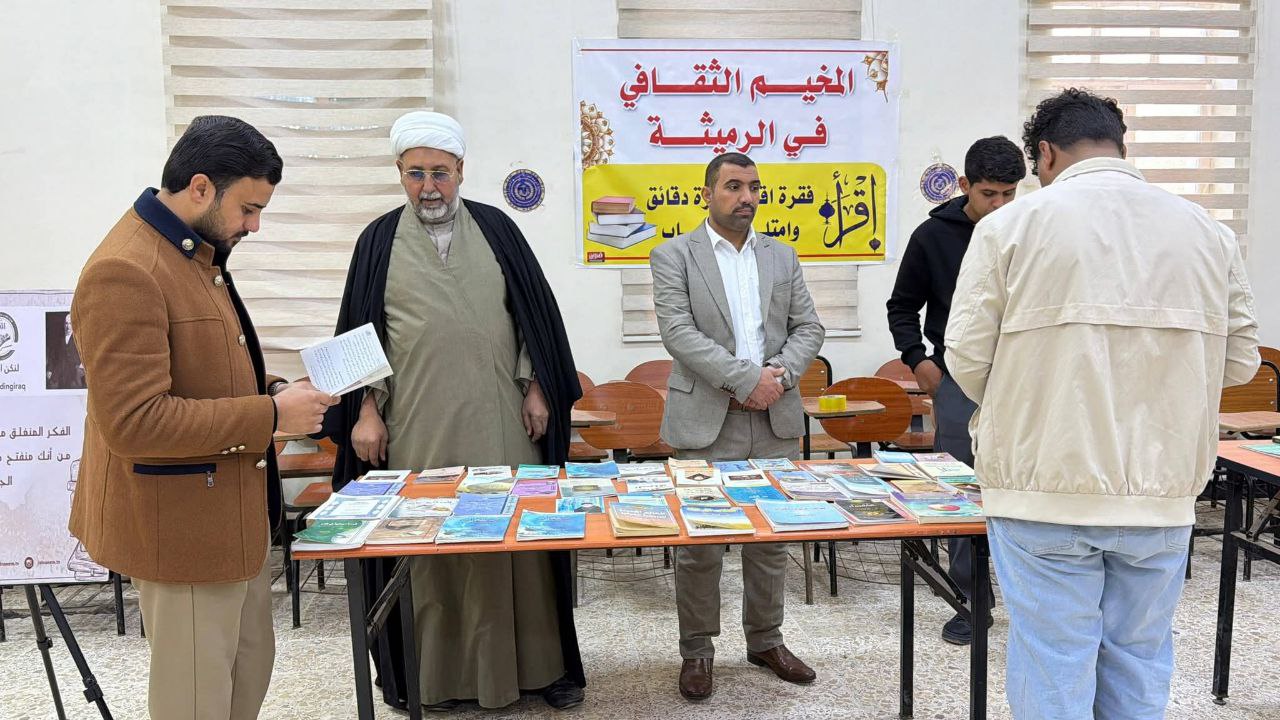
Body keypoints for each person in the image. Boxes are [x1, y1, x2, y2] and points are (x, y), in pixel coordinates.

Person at [945, 88, 1260, 719]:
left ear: (1045, 154)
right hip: (1162, 489)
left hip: (1042, 488)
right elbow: (1241, 362)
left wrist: (1030, 397)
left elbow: (966, 357)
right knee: (1139, 657)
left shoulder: (1008, 228)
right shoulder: (1208, 233)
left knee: (1052, 660)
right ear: (1120, 145)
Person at [68, 115, 337, 719]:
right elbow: (135, 422)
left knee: (246, 672)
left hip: (231, 520)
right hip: (182, 530)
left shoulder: (187, 253)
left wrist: (275, 389)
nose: (254, 225)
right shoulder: (126, 269)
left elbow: (205, 366)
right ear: (199, 188)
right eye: (248, 209)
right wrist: (272, 413)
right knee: (195, 700)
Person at [324, 110, 585, 712]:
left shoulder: (498, 229)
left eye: (439, 172)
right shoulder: (377, 241)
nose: (428, 186)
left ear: (461, 170)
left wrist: (538, 386)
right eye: (415, 173)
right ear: (399, 172)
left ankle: (538, 671)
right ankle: (434, 681)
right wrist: (366, 411)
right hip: (416, 427)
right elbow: (361, 334)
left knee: (514, 541)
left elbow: (534, 318)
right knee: (428, 548)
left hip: (503, 422)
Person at [650, 152, 825, 702]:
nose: (746, 196)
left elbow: (809, 328)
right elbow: (678, 333)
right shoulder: (674, 255)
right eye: (733, 186)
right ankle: (697, 650)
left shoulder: (781, 255)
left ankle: (766, 641)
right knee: (700, 545)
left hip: (774, 420)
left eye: (753, 186)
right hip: (707, 422)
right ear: (707, 194)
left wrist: (780, 375)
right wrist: (746, 379)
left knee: (770, 540)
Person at [885, 136, 1025, 644]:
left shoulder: (1031, 229)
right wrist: (918, 360)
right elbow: (902, 306)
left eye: (1009, 194)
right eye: (989, 194)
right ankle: (971, 601)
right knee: (962, 491)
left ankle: (1030, 598)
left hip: (1024, 378)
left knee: (1024, 487)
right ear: (964, 185)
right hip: (958, 380)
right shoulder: (932, 236)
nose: (999, 205)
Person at [47, 313, 86, 389]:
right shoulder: (58, 339)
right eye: (66, 323)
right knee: (52, 385)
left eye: (70, 324)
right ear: (64, 325)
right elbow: (53, 356)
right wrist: (50, 369)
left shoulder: (79, 338)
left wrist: (82, 364)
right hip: (59, 371)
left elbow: (86, 353)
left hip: (74, 372)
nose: (68, 326)